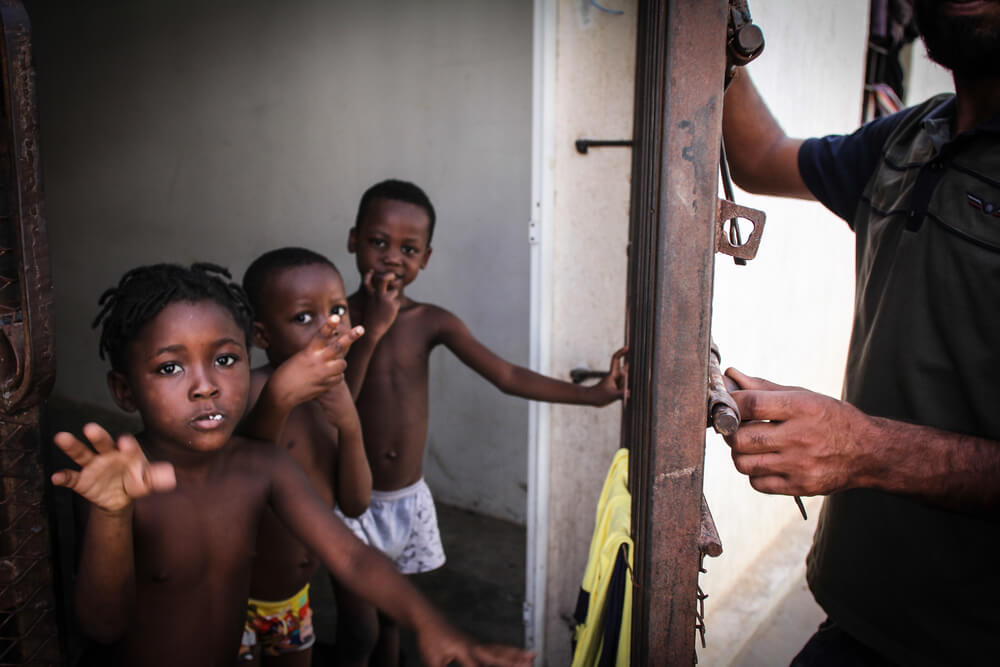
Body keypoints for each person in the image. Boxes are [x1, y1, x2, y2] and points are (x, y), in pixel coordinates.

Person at [50, 262, 535, 667]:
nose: (205, 385)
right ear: (124, 391)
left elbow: (352, 556)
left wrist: (430, 625)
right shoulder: (117, 485)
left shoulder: (264, 466)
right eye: (170, 368)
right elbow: (102, 626)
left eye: (225, 359)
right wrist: (111, 514)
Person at [720, 1, 1000, 664]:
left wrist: (866, 448)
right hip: (863, 618)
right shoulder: (911, 137)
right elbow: (761, 157)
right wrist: (718, 34)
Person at [340, 179, 627, 666]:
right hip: (350, 503)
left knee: (392, 618)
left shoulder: (433, 322)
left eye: (408, 249)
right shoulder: (337, 318)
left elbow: (507, 375)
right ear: (353, 240)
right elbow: (339, 401)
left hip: (405, 501)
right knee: (358, 630)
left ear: (426, 258)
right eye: (378, 242)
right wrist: (374, 328)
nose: (391, 258)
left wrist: (593, 397)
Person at [237, 247, 372, 666]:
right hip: (229, 602)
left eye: (338, 310)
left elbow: (354, 502)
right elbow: (245, 481)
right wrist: (279, 398)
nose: (329, 327)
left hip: (292, 603)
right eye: (303, 317)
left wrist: (349, 424)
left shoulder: (333, 397)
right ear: (262, 336)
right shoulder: (249, 391)